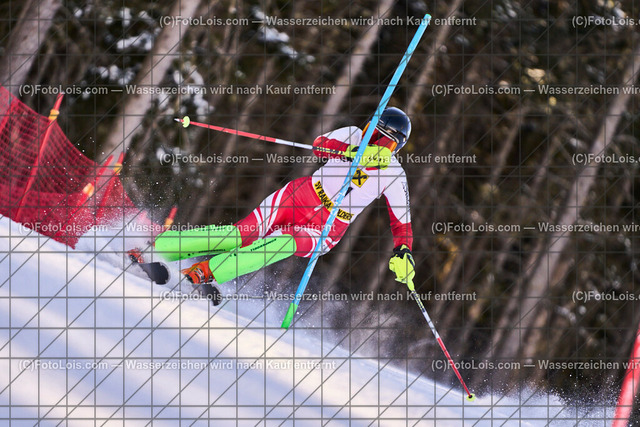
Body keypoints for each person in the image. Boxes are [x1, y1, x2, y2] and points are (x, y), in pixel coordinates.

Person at [151, 107, 416, 297]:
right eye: (372, 133)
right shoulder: (353, 135)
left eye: (385, 142)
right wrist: (350, 151)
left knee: (283, 243)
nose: (374, 142)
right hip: (300, 196)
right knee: (242, 234)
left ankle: (205, 272)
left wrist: (403, 251)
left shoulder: (393, 175)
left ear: (395, 149)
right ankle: (160, 247)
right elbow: (319, 145)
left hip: (328, 226)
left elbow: (402, 223)